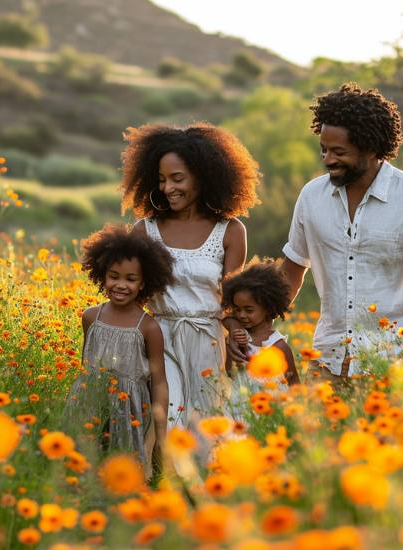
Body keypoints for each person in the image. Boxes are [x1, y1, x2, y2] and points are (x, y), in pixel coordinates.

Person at [281, 83, 403, 384]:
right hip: (326, 361)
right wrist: (259, 329)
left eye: (339, 152)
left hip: (392, 364)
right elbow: (292, 270)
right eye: (324, 150)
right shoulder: (311, 197)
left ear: (370, 148)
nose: (328, 159)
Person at [121, 122, 260, 428]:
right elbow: (128, 290)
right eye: (161, 180)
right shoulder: (145, 230)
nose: (167, 188)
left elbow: (231, 296)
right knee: (168, 423)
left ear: (203, 176)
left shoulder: (231, 230)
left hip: (209, 342)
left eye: (177, 179)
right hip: (160, 339)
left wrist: (237, 334)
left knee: (208, 428)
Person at [63, 224, 173, 470]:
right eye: (114, 276)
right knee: (85, 470)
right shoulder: (91, 317)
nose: (121, 285)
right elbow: (87, 370)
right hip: (92, 408)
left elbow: (158, 383)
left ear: (144, 283)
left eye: (131, 279)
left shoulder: (148, 327)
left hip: (130, 414)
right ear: (103, 275)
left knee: (123, 473)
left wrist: (155, 438)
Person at [222, 259, 300, 400]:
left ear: (268, 307)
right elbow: (230, 372)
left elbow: (294, 381)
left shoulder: (278, 345)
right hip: (241, 407)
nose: (241, 315)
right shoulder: (236, 338)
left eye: (249, 310)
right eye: (237, 309)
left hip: (271, 408)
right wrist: (237, 348)